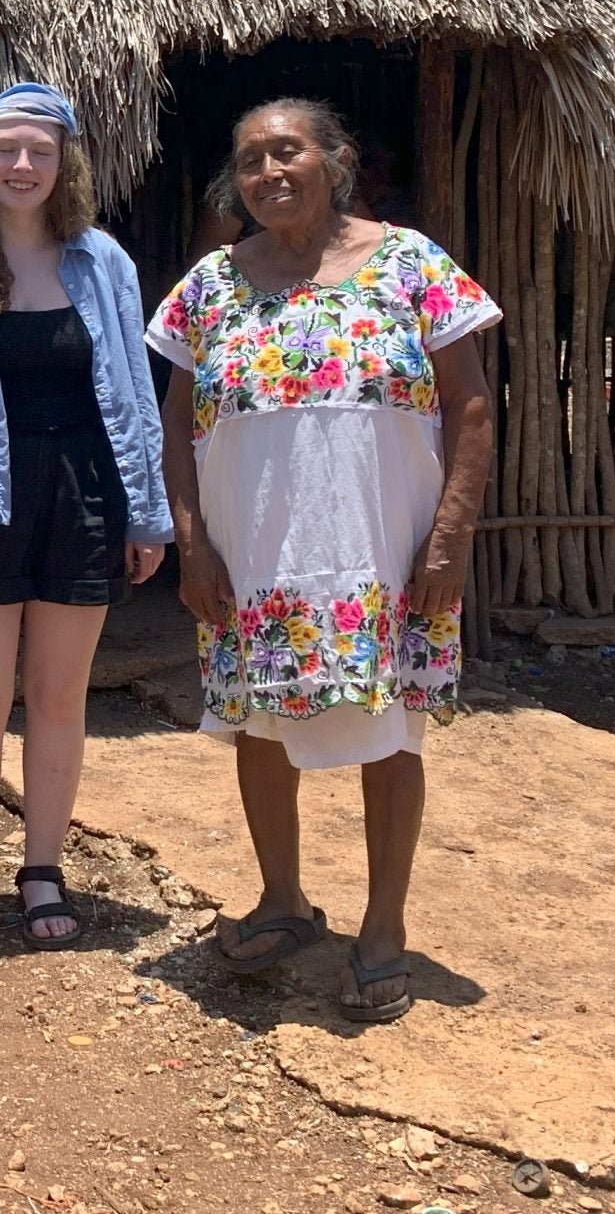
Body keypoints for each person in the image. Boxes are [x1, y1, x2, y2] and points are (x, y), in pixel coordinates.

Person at [147, 99, 496, 1023]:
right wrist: (191, 540)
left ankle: (384, 930)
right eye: (250, 158)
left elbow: (470, 407)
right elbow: (177, 425)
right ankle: (283, 899)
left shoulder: (412, 264)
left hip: (381, 555)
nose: (268, 172)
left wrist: (450, 540)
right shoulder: (212, 286)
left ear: (334, 159)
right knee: (260, 730)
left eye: (286, 151)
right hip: (253, 554)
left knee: (392, 734)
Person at [0, 83, 171, 947]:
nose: (21, 166)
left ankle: (42, 867)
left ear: (64, 162)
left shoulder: (103, 262)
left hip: (85, 493)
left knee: (56, 695)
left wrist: (146, 513)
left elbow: (133, 394)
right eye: (6, 150)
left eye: (39, 151)